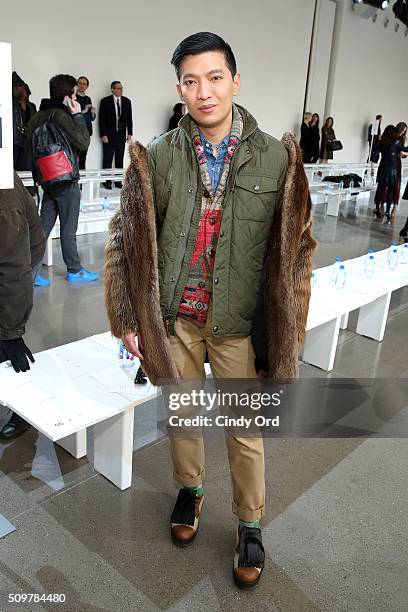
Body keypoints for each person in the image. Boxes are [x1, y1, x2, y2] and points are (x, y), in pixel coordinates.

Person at [104, 31, 315, 589]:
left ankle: (250, 524)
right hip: (178, 318)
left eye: (214, 77)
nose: (204, 92)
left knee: (245, 432)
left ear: (235, 81)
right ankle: (190, 490)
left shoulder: (275, 157)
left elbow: (297, 250)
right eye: (191, 81)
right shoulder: (158, 157)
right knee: (183, 417)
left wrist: (289, 322)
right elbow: (128, 240)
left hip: (238, 323)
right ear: (179, 88)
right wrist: (128, 316)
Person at [27, 74, 100, 285]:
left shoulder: (37, 117)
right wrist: (77, 115)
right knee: (69, 228)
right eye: (75, 93)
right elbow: (84, 142)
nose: (77, 97)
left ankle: (30, 273)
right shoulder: (62, 116)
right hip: (66, 180)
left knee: (43, 228)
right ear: (68, 96)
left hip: (47, 180)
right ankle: (75, 270)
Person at [0, 173, 46, 439]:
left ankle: (22, 411)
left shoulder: (4, 198)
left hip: (18, 257)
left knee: (7, 344)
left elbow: (14, 269)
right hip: (11, 255)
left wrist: (11, 332)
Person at [99, 81, 133, 189]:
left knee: (119, 159)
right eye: (118, 88)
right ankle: (107, 181)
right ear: (112, 89)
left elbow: (129, 119)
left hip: (121, 135)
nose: (120, 90)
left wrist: (130, 133)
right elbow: (102, 119)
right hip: (108, 135)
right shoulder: (105, 101)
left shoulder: (127, 101)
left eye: (121, 88)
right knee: (107, 159)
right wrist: (103, 134)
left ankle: (118, 181)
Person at [374, 124, 408, 221]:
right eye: (401, 130)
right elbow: (405, 149)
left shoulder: (385, 141)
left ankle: (384, 208)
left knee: (386, 188)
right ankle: (385, 209)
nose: (402, 132)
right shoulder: (395, 140)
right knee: (388, 189)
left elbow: (375, 155)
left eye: (404, 131)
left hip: (389, 165)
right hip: (392, 166)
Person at [76, 76, 96, 170]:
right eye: (80, 83)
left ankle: (82, 182)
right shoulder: (73, 97)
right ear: (77, 84)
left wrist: (92, 112)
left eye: (84, 84)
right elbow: (74, 114)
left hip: (87, 131)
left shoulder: (88, 98)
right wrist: (85, 110)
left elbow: (91, 118)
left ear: (87, 86)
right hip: (76, 131)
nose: (82, 85)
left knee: (83, 157)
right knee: (75, 156)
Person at [12, 71, 29, 171]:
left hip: (23, 141)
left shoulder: (27, 106)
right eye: (21, 88)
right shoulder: (12, 104)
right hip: (14, 141)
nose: (23, 90)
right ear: (16, 88)